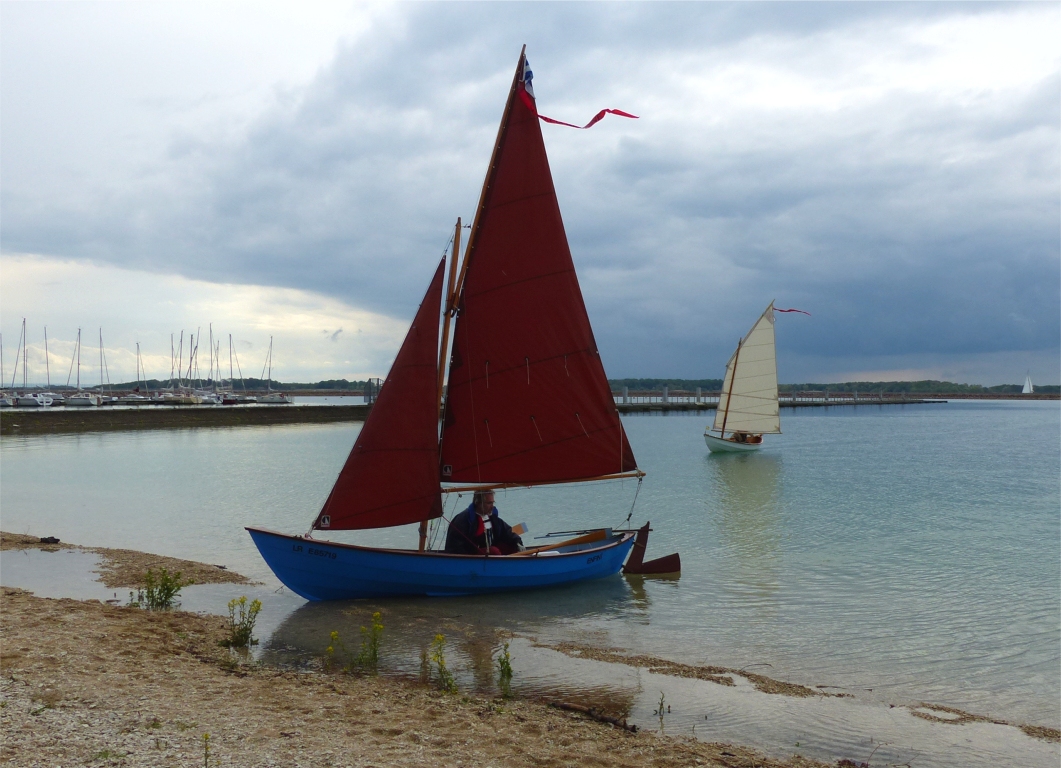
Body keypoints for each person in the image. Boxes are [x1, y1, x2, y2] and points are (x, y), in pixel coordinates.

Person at [444, 490, 523, 555]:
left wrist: (517, 542)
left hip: (489, 551)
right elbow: (454, 546)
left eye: (493, 503)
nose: (492, 506)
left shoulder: (492, 517)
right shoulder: (463, 519)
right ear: (478, 502)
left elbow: (507, 531)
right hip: (471, 555)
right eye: (489, 503)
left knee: (514, 548)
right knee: (494, 551)